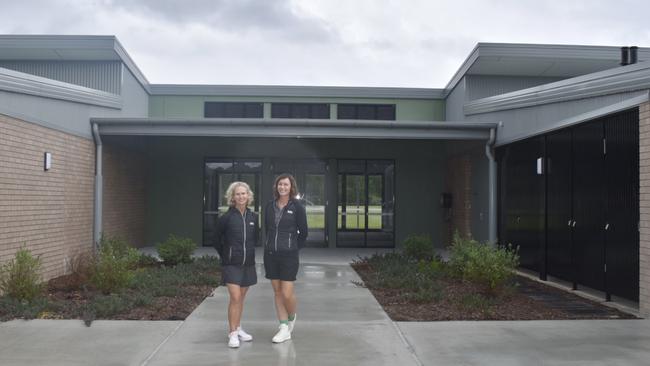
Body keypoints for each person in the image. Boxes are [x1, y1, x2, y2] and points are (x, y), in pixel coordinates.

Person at [263, 174, 308, 343]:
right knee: (277, 292)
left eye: (286, 184)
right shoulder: (269, 206)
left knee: (287, 293)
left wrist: (294, 248)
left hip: (289, 256)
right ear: (276, 187)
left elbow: (304, 233)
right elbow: (267, 229)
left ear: (291, 187)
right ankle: (283, 327)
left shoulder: (297, 207)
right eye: (280, 184)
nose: (282, 187)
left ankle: (291, 316)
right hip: (271, 255)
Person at [214, 181, 259, 348]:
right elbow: (216, 240)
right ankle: (232, 333)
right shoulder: (226, 218)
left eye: (244, 193)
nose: (241, 196)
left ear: (248, 196)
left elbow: (256, 239)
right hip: (231, 264)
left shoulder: (253, 217)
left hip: (248, 264)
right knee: (235, 297)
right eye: (237, 194)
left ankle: (238, 328)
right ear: (232, 197)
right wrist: (227, 255)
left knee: (241, 299)